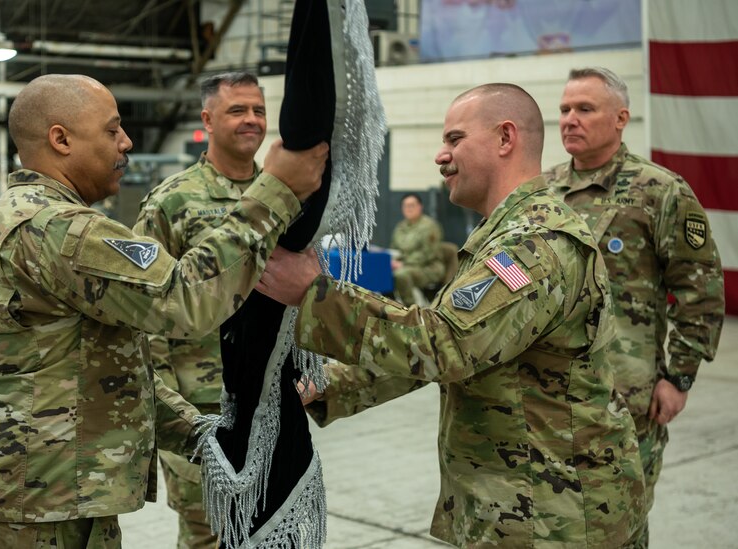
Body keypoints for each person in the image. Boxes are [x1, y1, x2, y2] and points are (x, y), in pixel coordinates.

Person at [0, 73, 327, 548]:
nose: (125, 142)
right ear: (61, 140)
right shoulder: (58, 228)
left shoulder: (31, 215)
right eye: (111, 130)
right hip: (36, 510)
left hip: (32, 496)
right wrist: (277, 192)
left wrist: (202, 436)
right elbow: (183, 300)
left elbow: (103, 372)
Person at [257, 83, 646, 547]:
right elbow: (457, 347)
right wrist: (327, 385)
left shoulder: (534, 243)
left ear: (505, 138)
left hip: (556, 518)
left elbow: (446, 346)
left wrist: (315, 294)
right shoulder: (502, 235)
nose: (441, 156)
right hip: (524, 506)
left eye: (455, 139)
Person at [543, 67, 725, 546]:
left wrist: (679, 376)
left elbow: (700, 290)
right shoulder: (541, 193)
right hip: (546, 399)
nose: (570, 119)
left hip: (624, 400)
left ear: (621, 118)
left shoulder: (659, 191)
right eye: (564, 109)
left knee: (619, 528)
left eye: (585, 109)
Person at [134, 71, 266, 549]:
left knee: (266, 528)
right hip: (202, 408)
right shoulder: (172, 201)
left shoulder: (282, 197)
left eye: (258, 110)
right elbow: (143, 308)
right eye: (237, 110)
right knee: (208, 534)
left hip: (271, 400)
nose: (251, 120)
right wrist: (169, 401)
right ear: (207, 120)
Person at [389, 193, 445, 305]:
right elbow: (394, 249)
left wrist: (403, 263)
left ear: (420, 207)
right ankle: (391, 305)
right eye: (405, 206)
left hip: (429, 267)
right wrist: (392, 261)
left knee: (401, 275)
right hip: (406, 266)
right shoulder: (400, 227)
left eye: (412, 205)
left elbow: (428, 254)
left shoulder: (429, 226)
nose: (408, 209)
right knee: (381, 272)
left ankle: (410, 309)